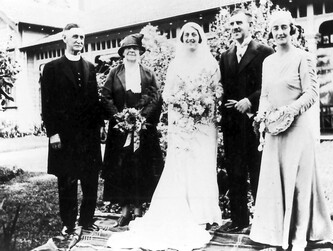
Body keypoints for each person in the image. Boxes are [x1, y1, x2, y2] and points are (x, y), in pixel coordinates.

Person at [107, 22, 222, 251]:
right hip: (180, 124)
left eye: (194, 34)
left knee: (202, 165)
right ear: (182, 38)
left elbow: (216, 90)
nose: (190, 38)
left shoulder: (210, 62)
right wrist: (183, 104)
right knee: (180, 167)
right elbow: (168, 94)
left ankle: (204, 212)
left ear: (200, 37)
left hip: (203, 125)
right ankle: (174, 210)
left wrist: (201, 103)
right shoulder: (175, 64)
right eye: (186, 34)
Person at [249, 11, 333, 251]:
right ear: (271, 33)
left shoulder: (303, 57)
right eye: (275, 29)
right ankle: (278, 235)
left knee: (298, 183)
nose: (280, 32)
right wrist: (263, 116)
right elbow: (265, 95)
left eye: (284, 28)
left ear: (292, 30)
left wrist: (289, 111)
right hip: (275, 129)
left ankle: (298, 237)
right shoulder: (268, 61)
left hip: (297, 128)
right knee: (275, 182)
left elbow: (311, 93)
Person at [41, 23, 103, 235]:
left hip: (89, 136)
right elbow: (47, 104)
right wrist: (53, 133)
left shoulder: (90, 67)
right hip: (64, 136)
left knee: (90, 179)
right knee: (67, 181)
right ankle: (68, 223)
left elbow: (95, 101)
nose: (79, 40)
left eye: (82, 37)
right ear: (64, 39)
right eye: (75, 36)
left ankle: (86, 220)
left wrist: (100, 126)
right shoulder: (52, 68)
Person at [219, 9, 274, 232]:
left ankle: (262, 221)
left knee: (258, 170)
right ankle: (239, 220)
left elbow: (270, 85)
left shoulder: (264, 51)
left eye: (239, 23)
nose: (235, 27)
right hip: (233, 124)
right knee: (236, 171)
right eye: (232, 24)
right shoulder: (226, 55)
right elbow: (224, 89)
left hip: (254, 122)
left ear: (249, 25)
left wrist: (250, 101)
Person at [101, 33, 164, 226]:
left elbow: (156, 97)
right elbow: (105, 97)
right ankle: (125, 211)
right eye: (128, 49)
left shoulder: (148, 73)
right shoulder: (114, 73)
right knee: (122, 169)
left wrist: (141, 118)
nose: (131, 52)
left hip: (144, 131)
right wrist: (120, 118)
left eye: (135, 49)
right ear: (122, 52)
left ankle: (138, 210)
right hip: (120, 132)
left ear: (140, 52)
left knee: (141, 168)